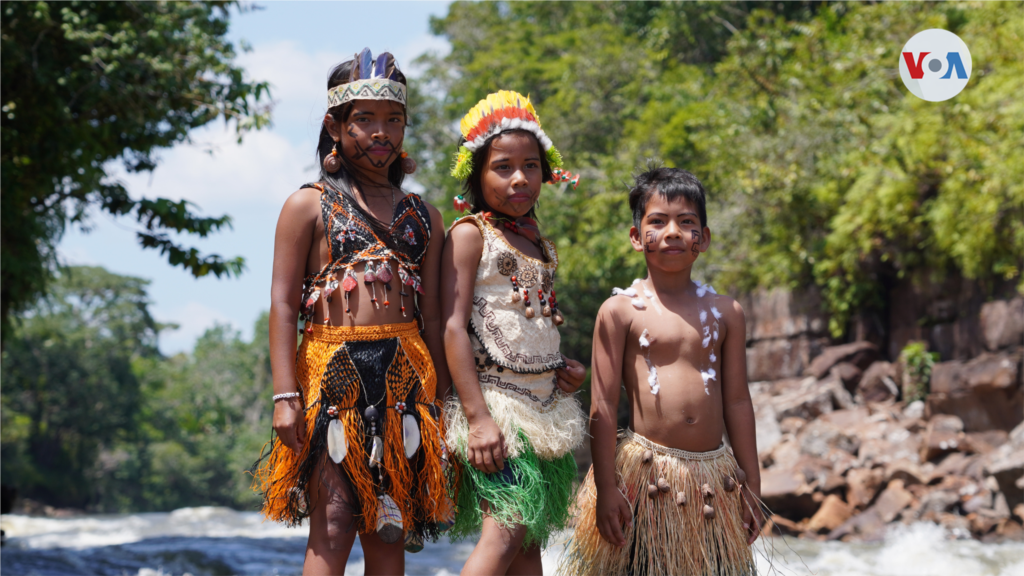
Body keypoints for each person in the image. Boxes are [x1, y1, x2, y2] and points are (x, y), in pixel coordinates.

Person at [251, 48, 453, 576]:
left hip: (405, 383)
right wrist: (284, 397)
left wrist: (445, 403)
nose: (380, 132)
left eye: (393, 120)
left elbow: (435, 319)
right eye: (364, 119)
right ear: (334, 127)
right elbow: (280, 302)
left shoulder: (425, 218)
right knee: (336, 521)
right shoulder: (307, 206)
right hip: (331, 381)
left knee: (390, 529)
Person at [559, 167, 763, 576]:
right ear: (637, 237)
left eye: (686, 222)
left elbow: (738, 401)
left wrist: (752, 487)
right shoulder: (619, 312)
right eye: (657, 221)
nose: (672, 232)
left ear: (702, 239)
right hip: (650, 479)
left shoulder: (726, 313)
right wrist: (605, 488)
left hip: (713, 482)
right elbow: (602, 404)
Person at [441, 90, 588, 576]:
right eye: (503, 166)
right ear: (476, 173)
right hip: (498, 414)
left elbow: (533, 320)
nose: (520, 177)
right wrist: (479, 419)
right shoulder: (469, 235)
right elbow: (454, 328)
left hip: (544, 408)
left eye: (531, 166)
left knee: (528, 551)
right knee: (504, 535)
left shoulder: (537, 240)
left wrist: (563, 369)